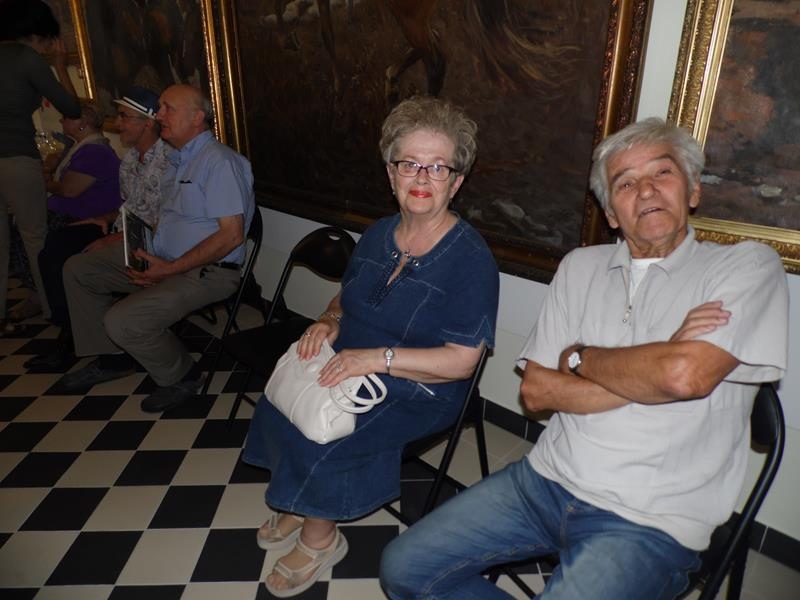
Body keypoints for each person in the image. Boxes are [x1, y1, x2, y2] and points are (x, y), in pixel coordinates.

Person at [379, 118, 789, 599]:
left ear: (693, 188)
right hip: (545, 481)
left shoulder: (745, 265)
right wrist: (656, 362)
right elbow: (537, 391)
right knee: (402, 567)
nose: (646, 191)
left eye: (662, 173)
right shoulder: (580, 267)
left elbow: (684, 376)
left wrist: (579, 358)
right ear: (611, 212)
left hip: (650, 518)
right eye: (625, 183)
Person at [242, 96, 499, 597]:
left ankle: (321, 538)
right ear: (390, 173)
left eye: (438, 167)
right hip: (352, 357)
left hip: (421, 385)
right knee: (280, 402)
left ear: (456, 182)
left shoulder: (471, 260)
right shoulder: (379, 234)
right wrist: (329, 321)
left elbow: (463, 361)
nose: (421, 177)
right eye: (409, 164)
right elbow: (346, 297)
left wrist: (376, 359)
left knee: (327, 436)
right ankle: (298, 500)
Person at [50, 84, 255, 413]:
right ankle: (114, 358)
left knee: (122, 319)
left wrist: (169, 270)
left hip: (206, 271)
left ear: (197, 118)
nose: (159, 115)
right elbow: (165, 218)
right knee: (79, 269)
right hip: (162, 257)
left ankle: (184, 375)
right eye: (159, 107)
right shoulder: (177, 159)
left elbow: (231, 237)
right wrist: (138, 249)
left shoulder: (220, 162)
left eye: (168, 108)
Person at [25, 86, 168, 371]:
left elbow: (167, 218)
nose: (118, 124)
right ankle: (71, 330)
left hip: (149, 239)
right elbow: (129, 205)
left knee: (69, 260)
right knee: (55, 245)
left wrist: (118, 237)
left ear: (148, 123)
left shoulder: (169, 162)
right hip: (122, 227)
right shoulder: (130, 160)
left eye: (125, 117)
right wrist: (105, 217)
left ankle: (89, 341)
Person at [0, 0, 80, 333]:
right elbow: (71, 108)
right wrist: (60, 66)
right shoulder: (26, 59)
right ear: (39, 33)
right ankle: (53, 310)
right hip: (16, 157)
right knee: (35, 237)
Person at [8, 100, 122, 320]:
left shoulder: (95, 151)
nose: (61, 120)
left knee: (27, 232)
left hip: (83, 217)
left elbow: (69, 190)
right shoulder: (79, 147)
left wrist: (42, 181)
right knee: (20, 224)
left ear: (83, 123)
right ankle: (41, 293)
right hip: (68, 213)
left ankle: (46, 297)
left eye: (67, 117)